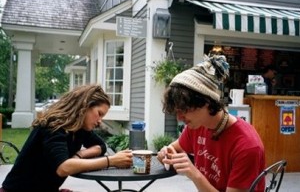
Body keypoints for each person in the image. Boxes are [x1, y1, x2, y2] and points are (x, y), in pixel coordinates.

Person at [157, 54, 265, 192]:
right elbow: (174, 149)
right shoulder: (196, 125)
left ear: (206, 102)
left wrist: (195, 174)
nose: (179, 118)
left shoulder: (247, 146)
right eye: (177, 111)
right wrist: (166, 153)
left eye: (184, 110)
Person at [1, 84, 133, 192]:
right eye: (99, 114)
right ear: (85, 106)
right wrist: (111, 161)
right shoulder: (54, 125)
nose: (99, 121)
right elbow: (63, 168)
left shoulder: (79, 128)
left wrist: (79, 155)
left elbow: (101, 146)